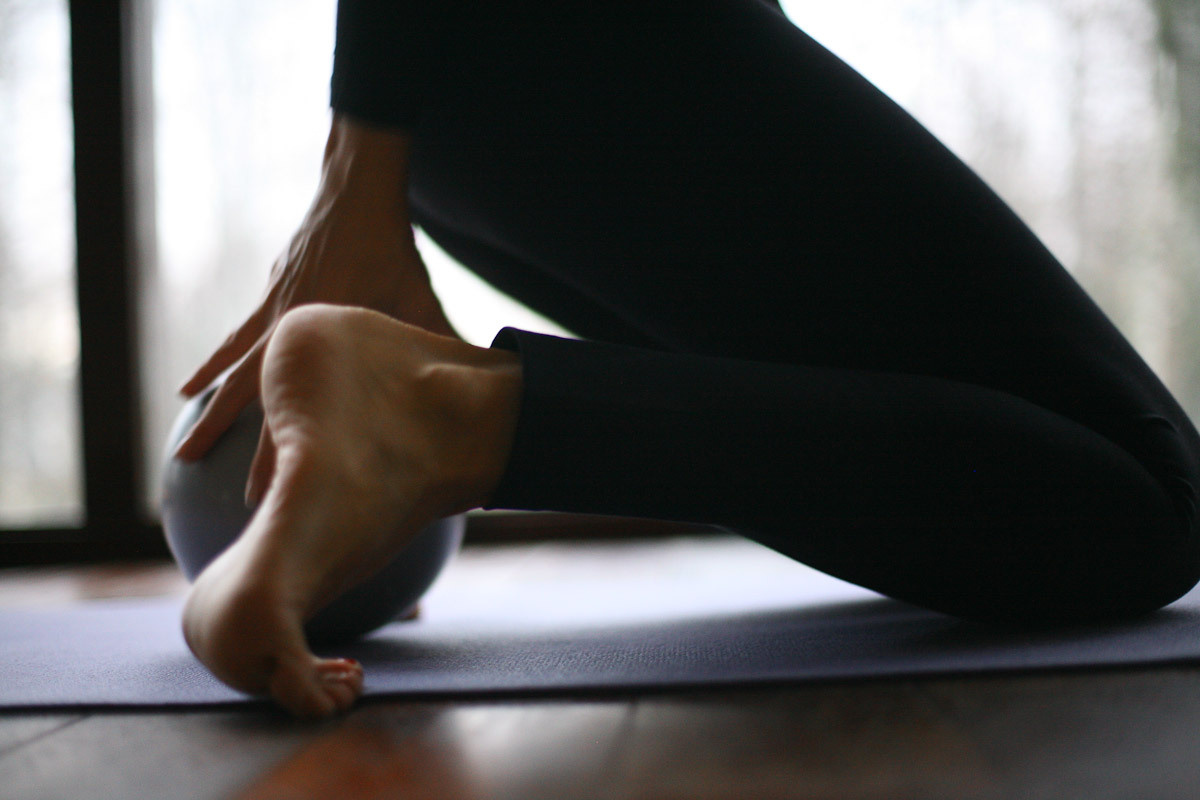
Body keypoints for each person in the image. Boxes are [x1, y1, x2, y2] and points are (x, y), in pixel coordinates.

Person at [172, 0, 1200, 717]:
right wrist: (359, 158)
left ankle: (430, 429)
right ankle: (437, 414)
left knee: (1102, 487)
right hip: (575, 46)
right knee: (1151, 493)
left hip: (521, 90)